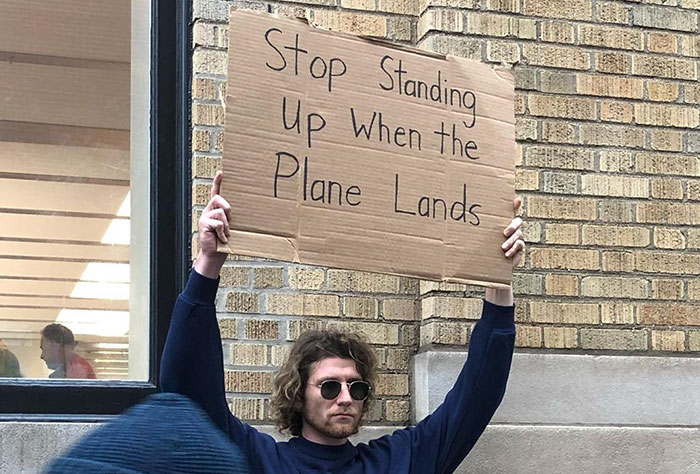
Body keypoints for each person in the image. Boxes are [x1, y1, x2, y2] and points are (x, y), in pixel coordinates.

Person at [161, 172, 524, 473]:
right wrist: (208, 263)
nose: (346, 398)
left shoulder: (398, 462)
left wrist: (498, 281)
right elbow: (188, 392)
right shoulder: (259, 461)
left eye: (357, 387)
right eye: (330, 387)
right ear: (298, 394)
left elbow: (476, 397)